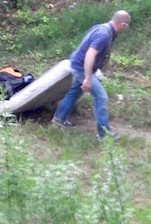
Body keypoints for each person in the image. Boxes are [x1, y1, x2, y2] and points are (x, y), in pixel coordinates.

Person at [52, 10, 131, 140]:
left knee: (74, 93)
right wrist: (88, 78)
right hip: (81, 68)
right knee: (101, 97)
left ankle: (58, 119)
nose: (126, 29)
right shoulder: (104, 34)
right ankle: (104, 135)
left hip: (78, 64)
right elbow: (90, 54)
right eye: (127, 26)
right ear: (123, 24)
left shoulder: (102, 28)